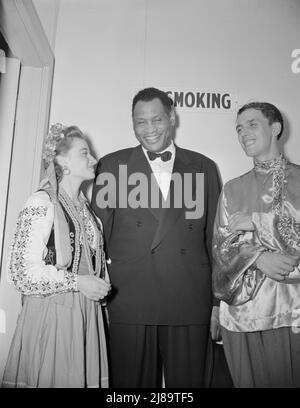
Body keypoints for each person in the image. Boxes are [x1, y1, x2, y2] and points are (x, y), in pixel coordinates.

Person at [91, 87, 222, 387]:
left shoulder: (203, 167)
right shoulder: (112, 166)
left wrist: (218, 303)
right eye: (140, 122)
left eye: (157, 120)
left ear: (172, 118)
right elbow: (97, 240)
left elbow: (214, 241)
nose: (149, 129)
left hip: (189, 298)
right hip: (129, 299)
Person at [2, 124, 111, 388]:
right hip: (53, 314)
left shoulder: (89, 213)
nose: (94, 159)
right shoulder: (41, 203)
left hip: (87, 316)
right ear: (63, 161)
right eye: (84, 153)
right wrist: (77, 283)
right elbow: (20, 273)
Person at [212, 102, 300, 387]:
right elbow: (222, 249)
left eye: (252, 124)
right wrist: (259, 258)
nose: (243, 133)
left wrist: (257, 222)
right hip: (242, 316)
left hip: (291, 312)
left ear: (275, 128)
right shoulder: (232, 189)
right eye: (239, 128)